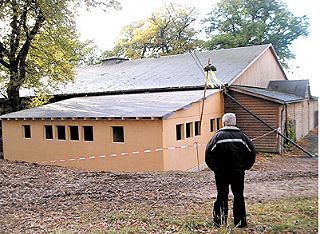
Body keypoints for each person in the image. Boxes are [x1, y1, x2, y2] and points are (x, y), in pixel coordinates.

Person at [205, 113, 256, 228]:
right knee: (238, 196)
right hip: (238, 172)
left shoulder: (216, 137)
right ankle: (241, 223)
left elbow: (208, 155)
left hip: (221, 173)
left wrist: (215, 168)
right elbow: (251, 153)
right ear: (235, 123)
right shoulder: (242, 137)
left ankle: (219, 222)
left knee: (222, 196)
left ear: (223, 123)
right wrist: (245, 166)